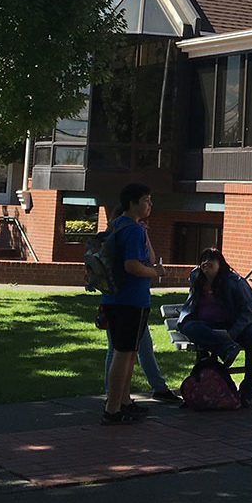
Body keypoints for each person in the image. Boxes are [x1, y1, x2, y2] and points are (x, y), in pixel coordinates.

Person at [100, 182, 167, 425]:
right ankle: (113, 408)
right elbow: (133, 265)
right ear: (133, 203)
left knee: (128, 353)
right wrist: (155, 273)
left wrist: (145, 232)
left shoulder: (118, 225)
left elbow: (144, 257)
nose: (150, 204)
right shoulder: (133, 231)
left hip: (113, 299)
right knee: (123, 353)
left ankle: (124, 401)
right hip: (130, 301)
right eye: (146, 200)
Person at [176, 248, 252, 405]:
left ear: (221, 263)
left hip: (234, 323)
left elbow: (247, 310)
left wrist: (232, 333)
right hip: (207, 325)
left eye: (211, 259)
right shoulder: (196, 278)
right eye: (203, 259)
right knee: (188, 326)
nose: (206, 263)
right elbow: (191, 307)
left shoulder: (235, 282)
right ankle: (227, 349)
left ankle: (247, 393)